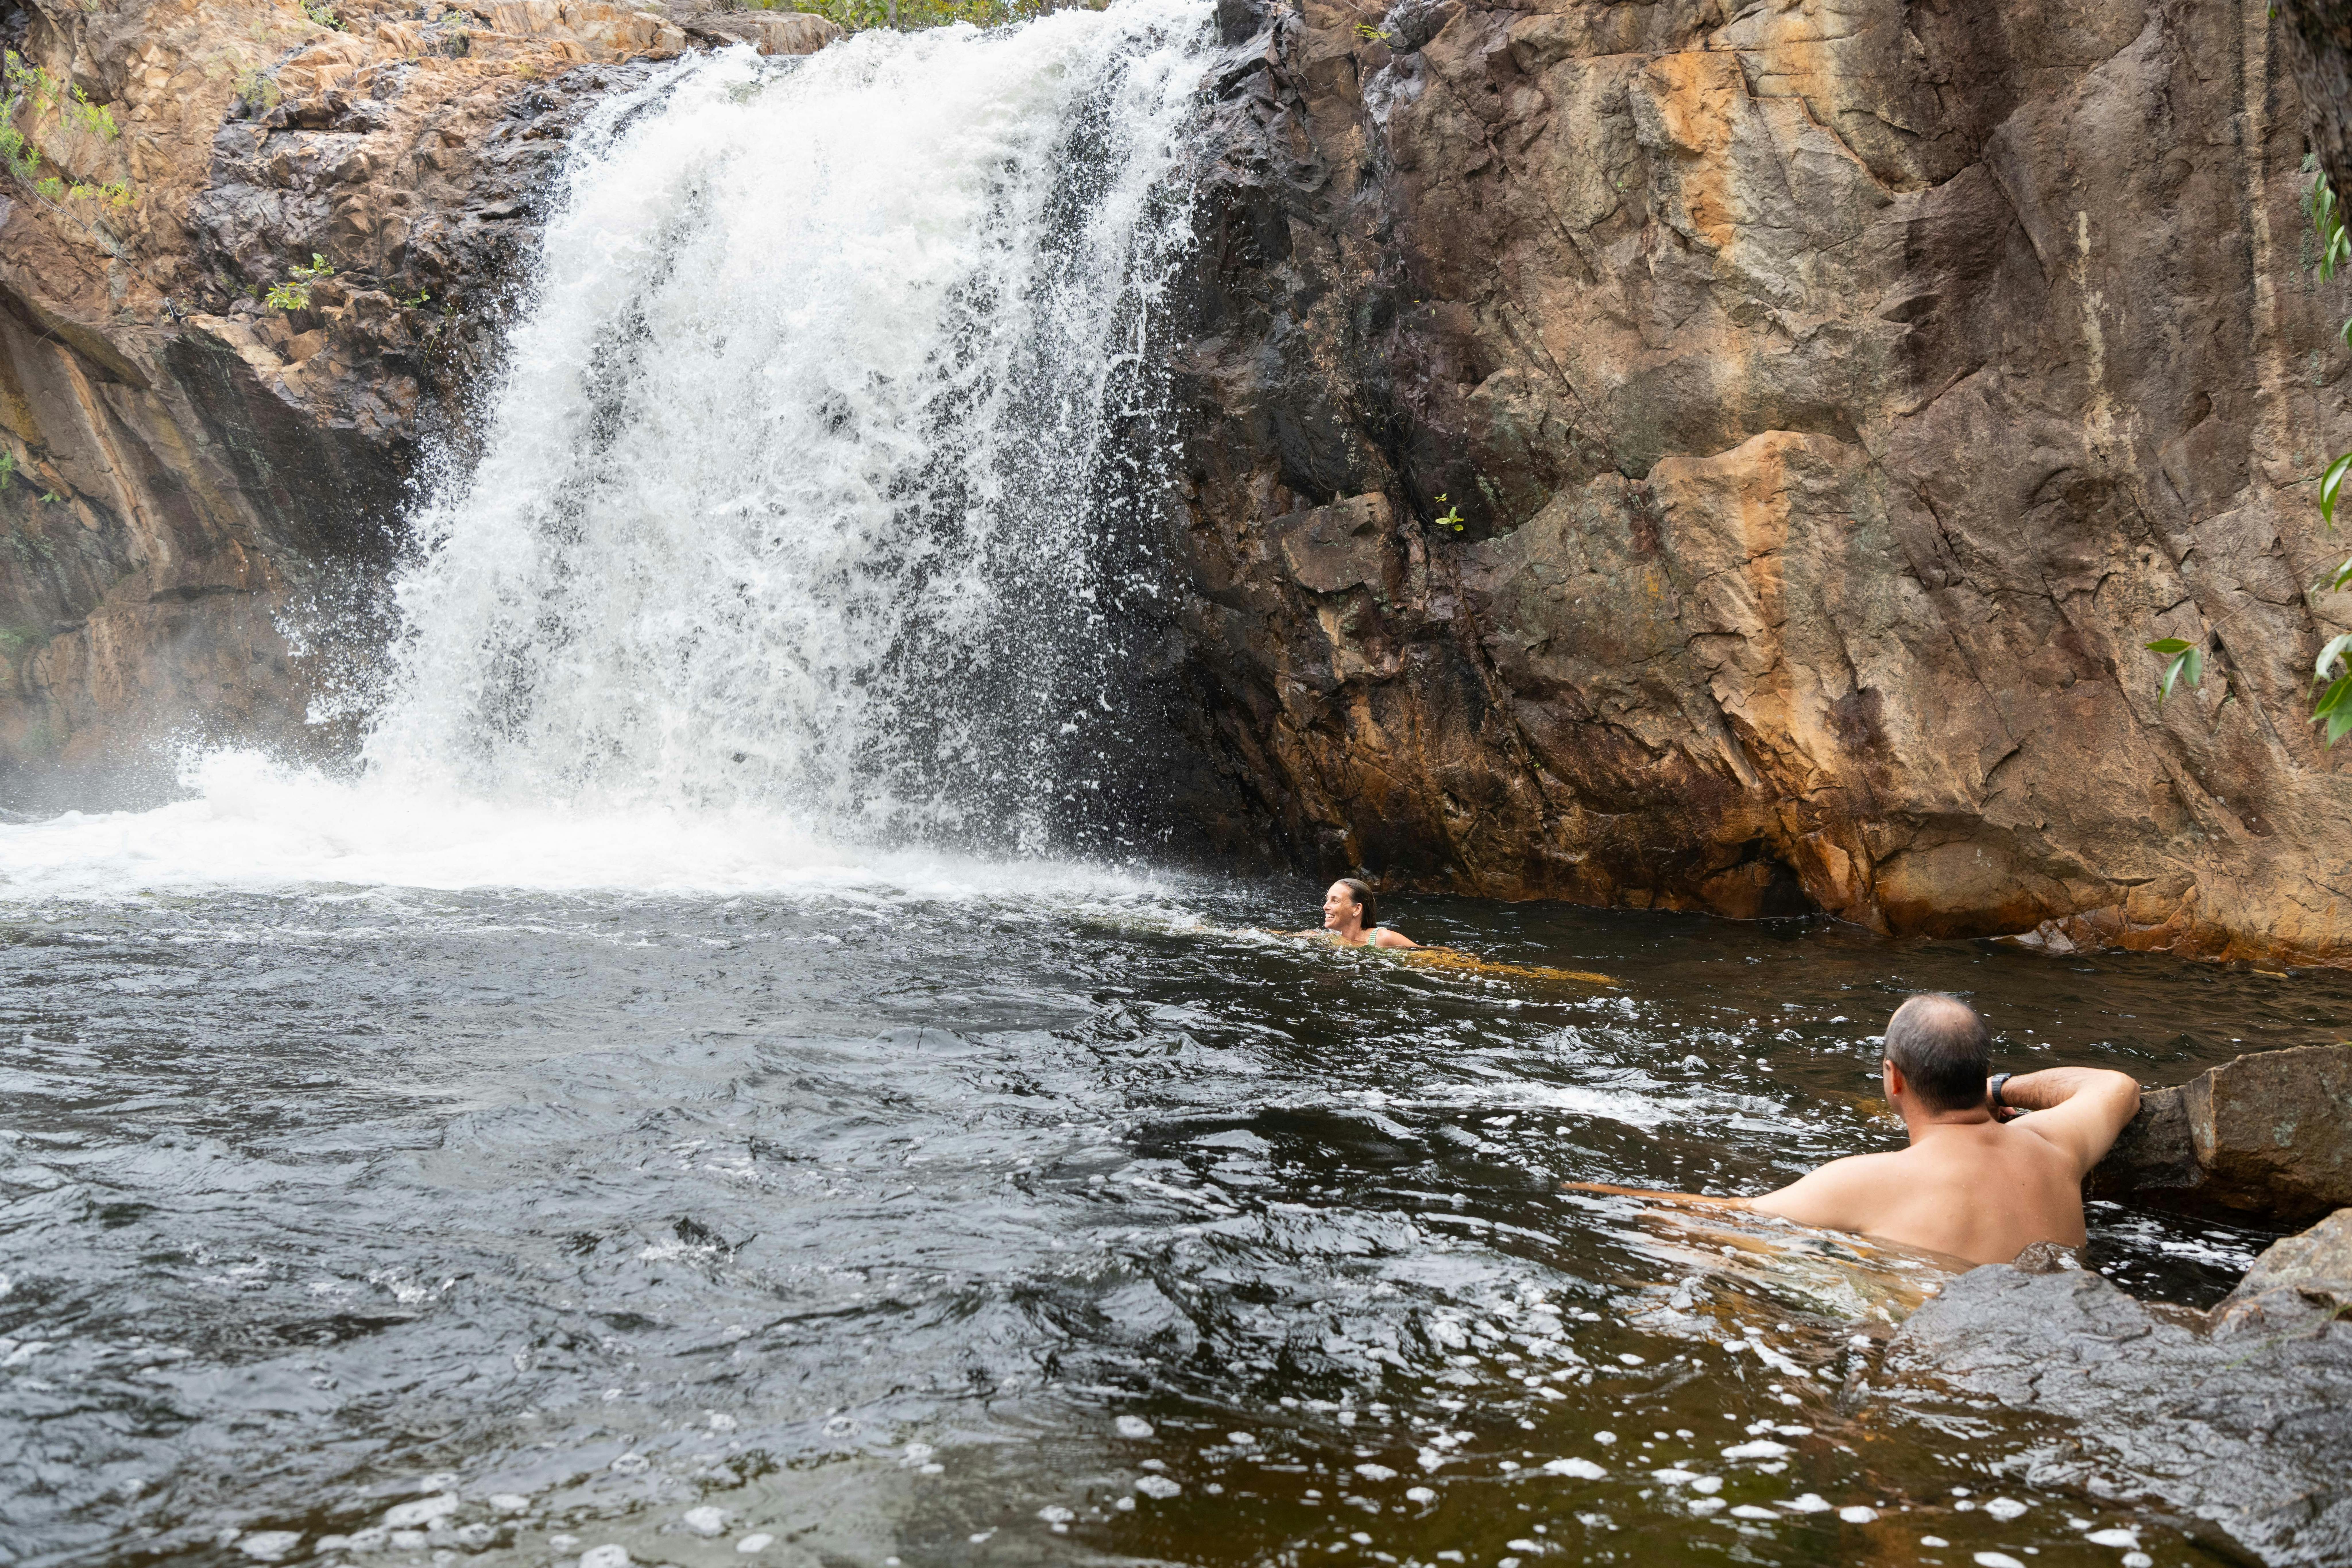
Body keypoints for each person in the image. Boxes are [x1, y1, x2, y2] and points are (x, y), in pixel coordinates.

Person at [1568, 992, 2140, 1267]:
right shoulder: (2055, 1146)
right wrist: (2004, 1092)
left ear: (1893, 1080)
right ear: (1984, 1073)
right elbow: (2117, 1086)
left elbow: (1714, 1220)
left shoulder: (1869, 1182)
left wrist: (1588, 1197)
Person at [1315, 878, 1418, 949]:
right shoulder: (1329, 937)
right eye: (1328, 899)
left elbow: (1428, 954)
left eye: (1335, 901)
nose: (1325, 907)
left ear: (1357, 909)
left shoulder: (1382, 938)